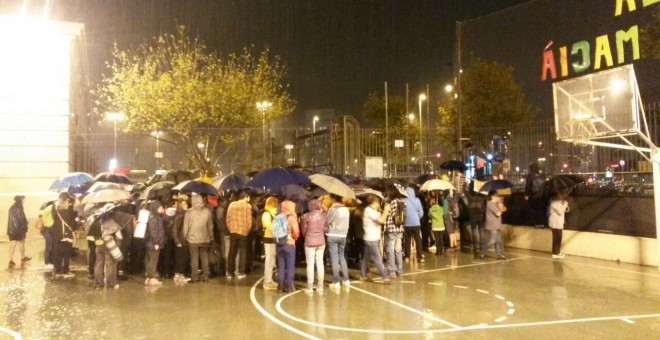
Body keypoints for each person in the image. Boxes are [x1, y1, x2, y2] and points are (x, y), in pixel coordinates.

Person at [360, 194, 391, 284]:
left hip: (373, 237)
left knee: (366, 258)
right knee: (378, 258)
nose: (380, 203)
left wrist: (384, 212)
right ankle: (385, 277)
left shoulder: (374, 211)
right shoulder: (369, 210)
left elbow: (382, 220)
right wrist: (385, 211)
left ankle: (362, 275)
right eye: (378, 201)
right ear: (374, 202)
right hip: (371, 238)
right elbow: (381, 220)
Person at [183, 194, 214, 283]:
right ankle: (205, 276)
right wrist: (211, 237)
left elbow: (186, 227)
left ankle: (194, 277)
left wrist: (185, 236)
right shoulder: (207, 211)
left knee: (194, 259)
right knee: (204, 257)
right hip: (205, 238)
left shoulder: (189, 212)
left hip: (192, 239)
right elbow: (210, 226)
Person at [301, 199, 326, 293]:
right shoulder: (324, 216)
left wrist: (307, 235)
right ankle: (320, 286)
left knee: (310, 264)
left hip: (309, 242)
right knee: (320, 264)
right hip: (321, 242)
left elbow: (303, 230)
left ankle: (310, 287)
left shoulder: (306, 216)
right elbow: (326, 229)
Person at [50, 192, 78, 279]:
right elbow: (73, 224)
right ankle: (65, 270)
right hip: (67, 235)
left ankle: (57, 270)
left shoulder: (55, 210)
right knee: (66, 254)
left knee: (58, 253)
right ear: (67, 200)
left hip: (58, 234)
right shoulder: (68, 211)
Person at [326, 194, 351, 288]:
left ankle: (336, 281)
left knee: (334, 258)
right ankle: (346, 280)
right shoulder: (346, 209)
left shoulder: (333, 209)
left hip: (333, 234)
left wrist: (326, 212)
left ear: (333, 199)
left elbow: (327, 221)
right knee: (342, 256)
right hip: (343, 235)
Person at [226, 192, 252, 279]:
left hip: (233, 231)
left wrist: (230, 228)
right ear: (245, 197)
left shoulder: (232, 204)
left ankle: (230, 272)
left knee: (232, 252)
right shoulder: (247, 206)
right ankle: (241, 272)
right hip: (243, 231)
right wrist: (247, 230)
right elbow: (249, 221)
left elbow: (228, 218)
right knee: (243, 252)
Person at [383, 183, 406, 277]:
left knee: (390, 249)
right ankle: (400, 270)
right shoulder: (402, 202)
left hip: (391, 228)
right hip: (400, 228)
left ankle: (391, 270)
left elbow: (388, 215)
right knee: (398, 249)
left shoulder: (391, 202)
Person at [277, 200, 300, 293]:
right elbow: (296, 232)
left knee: (281, 266)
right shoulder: (292, 218)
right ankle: (290, 287)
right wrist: (294, 237)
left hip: (279, 244)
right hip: (289, 244)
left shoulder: (277, 217)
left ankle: (280, 287)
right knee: (290, 266)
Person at [480, 191, 507, 260]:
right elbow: (498, 213)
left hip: (497, 224)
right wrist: (501, 209)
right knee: (492, 241)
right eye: (496, 196)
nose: (498, 197)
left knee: (499, 241)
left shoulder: (496, 204)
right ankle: (483, 251)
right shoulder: (490, 204)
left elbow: (503, 209)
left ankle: (499, 254)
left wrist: (501, 205)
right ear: (492, 196)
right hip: (492, 225)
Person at [144, 201, 165, 286]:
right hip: (154, 243)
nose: (161, 209)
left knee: (150, 260)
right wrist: (156, 242)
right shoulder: (154, 218)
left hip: (151, 242)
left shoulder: (153, 217)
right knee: (153, 260)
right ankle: (152, 278)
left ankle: (148, 278)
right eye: (160, 207)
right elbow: (154, 231)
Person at [261, 196, 279, 290]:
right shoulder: (266, 214)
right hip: (268, 239)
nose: (276, 205)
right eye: (275, 203)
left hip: (273, 239)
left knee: (272, 260)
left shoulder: (273, 214)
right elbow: (268, 226)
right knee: (269, 260)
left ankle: (270, 279)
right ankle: (267, 281)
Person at [7, 195, 30, 269]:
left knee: (13, 244)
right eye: (23, 200)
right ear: (20, 200)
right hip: (19, 229)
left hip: (11, 229)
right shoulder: (19, 208)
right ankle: (23, 257)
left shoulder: (11, 208)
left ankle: (10, 260)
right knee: (22, 243)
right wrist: (26, 223)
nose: (24, 201)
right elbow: (21, 219)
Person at [403, 186, 424, 263]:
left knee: (407, 241)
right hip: (416, 223)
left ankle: (407, 256)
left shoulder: (403, 201)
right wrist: (417, 217)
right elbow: (421, 212)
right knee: (418, 240)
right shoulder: (417, 200)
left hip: (406, 224)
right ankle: (420, 256)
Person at [172, 197, 190, 282]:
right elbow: (175, 229)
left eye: (186, 204)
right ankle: (179, 275)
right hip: (181, 241)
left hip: (184, 240)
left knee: (183, 258)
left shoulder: (185, 215)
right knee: (181, 259)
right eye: (184, 204)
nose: (186, 205)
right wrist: (177, 241)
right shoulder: (180, 216)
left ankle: (179, 275)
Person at [549, 192, 570, 259]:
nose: (562, 196)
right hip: (555, 223)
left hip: (559, 223)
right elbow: (560, 211)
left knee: (559, 238)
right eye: (561, 195)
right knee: (556, 238)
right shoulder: (554, 203)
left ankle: (557, 252)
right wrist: (565, 204)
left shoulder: (559, 203)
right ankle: (555, 253)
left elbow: (565, 210)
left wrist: (565, 205)